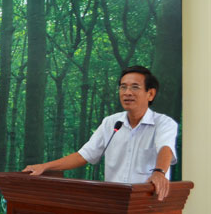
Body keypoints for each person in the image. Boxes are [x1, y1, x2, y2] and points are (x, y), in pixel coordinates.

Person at [23, 66, 177, 201]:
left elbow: (165, 149)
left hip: (147, 202)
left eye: (135, 87)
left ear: (150, 94)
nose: (127, 92)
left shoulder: (164, 123)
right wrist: (44, 166)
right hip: (113, 201)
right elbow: (83, 155)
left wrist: (159, 172)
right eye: (123, 87)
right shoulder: (111, 123)